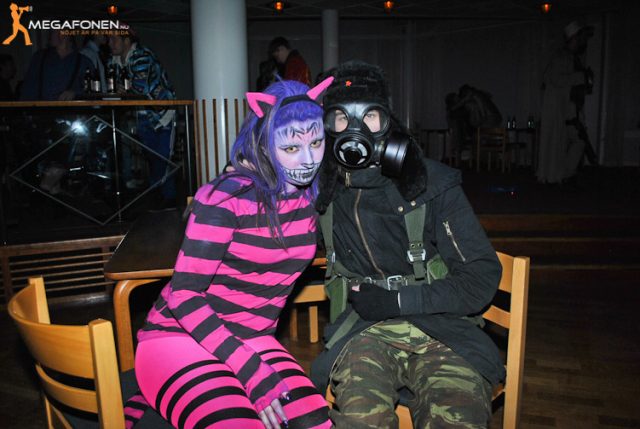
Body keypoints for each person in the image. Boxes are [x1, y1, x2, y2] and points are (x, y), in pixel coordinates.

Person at [128, 77, 335, 429]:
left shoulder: (308, 198)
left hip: (254, 340)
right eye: (290, 148)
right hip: (178, 337)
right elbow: (183, 296)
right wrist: (250, 370)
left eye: (316, 142)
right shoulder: (226, 196)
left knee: (318, 425)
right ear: (263, 143)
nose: (308, 159)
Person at [310, 60, 505, 428]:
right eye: (341, 117)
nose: (355, 130)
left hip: (442, 330)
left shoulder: (430, 184)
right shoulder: (324, 191)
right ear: (328, 128)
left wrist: (400, 301)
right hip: (364, 332)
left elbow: (480, 277)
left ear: (388, 123)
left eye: (370, 116)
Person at [108, 25, 177, 204]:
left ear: (126, 41)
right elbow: (115, 89)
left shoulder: (142, 56)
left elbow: (140, 88)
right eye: (109, 39)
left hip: (162, 114)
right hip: (142, 114)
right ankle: (159, 198)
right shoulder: (114, 61)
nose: (110, 43)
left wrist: (122, 90)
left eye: (114, 39)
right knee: (154, 159)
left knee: (162, 159)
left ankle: (168, 200)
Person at [537, 20, 595, 185]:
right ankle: (558, 173)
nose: (583, 42)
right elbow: (555, 79)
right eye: (581, 38)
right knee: (564, 140)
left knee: (572, 140)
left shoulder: (570, 58)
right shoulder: (561, 57)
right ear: (574, 38)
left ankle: (561, 173)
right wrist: (581, 77)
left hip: (568, 107)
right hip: (560, 107)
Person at [19, 31, 94, 101]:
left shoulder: (83, 61)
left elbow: (93, 91)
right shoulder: (39, 57)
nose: (50, 34)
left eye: (54, 30)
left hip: (72, 109)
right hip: (41, 109)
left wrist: (75, 93)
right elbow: (27, 90)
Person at [446, 84, 502, 163]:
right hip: (490, 119)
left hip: (489, 119)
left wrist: (453, 108)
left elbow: (467, 104)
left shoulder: (472, 96)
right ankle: (483, 160)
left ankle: (484, 160)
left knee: (479, 138)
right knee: (479, 138)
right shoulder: (475, 97)